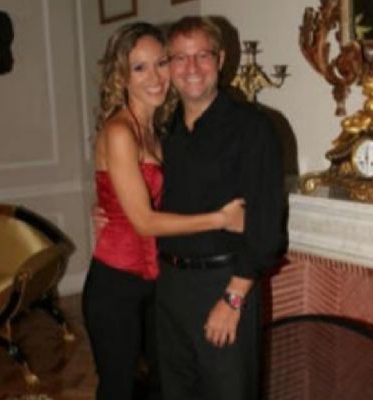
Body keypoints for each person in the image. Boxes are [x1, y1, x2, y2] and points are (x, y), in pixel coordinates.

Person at [83, 22, 246, 400]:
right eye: (140, 67)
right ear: (121, 75)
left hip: (160, 282)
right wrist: (221, 219)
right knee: (118, 389)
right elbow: (143, 221)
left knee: (165, 383)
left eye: (161, 63)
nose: (155, 77)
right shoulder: (120, 131)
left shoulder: (162, 130)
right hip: (116, 284)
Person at [155, 17, 284, 399]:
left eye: (202, 55)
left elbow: (267, 229)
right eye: (180, 58)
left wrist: (233, 298)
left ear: (221, 59)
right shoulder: (163, 131)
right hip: (168, 287)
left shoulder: (253, 129)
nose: (191, 68)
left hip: (224, 283)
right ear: (168, 66)